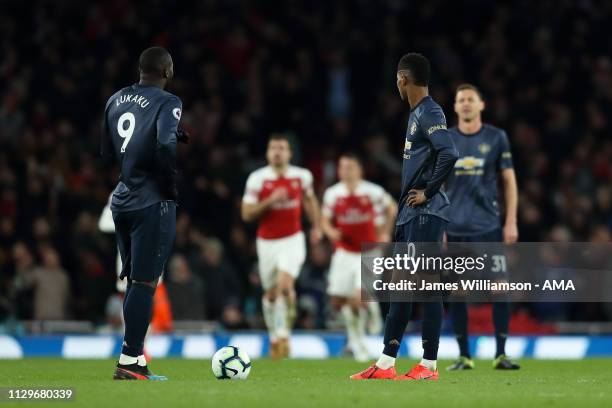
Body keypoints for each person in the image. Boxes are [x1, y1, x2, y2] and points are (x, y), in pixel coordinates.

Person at [351, 53, 458, 380]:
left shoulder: (429, 111)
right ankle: (386, 363)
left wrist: (428, 191)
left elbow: (449, 151)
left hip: (425, 212)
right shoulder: (417, 114)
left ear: (402, 79)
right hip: (413, 215)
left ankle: (428, 365)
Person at [101, 46, 187, 380]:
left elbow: (110, 150)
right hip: (151, 200)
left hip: (121, 199)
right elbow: (164, 145)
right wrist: (168, 185)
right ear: (167, 71)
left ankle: (133, 359)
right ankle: (130, 359)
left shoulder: (115, 99)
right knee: (145, 283)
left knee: (135, 283)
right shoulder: (170, 102)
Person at [445, 83, 520, 370]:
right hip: (456, 228)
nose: (465, 104)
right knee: (458, 291)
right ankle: (464, 356)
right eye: (460, 100)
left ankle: (501, 354)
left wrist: (510, 220)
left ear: (481, 105)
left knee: (499, 288)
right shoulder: (446, 140)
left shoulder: (496, 137)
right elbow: (437, 185)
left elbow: (509, 181)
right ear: (455, 107)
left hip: (488, 227)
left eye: (470, 99)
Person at [241, 134, 322, 359]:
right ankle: (274, 338)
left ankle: (285, 334)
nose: (277, 152)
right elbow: (246, 213)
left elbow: (310, 201)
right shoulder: (257, 179)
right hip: (266, 242)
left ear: (289, 153)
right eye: (273, 148)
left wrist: (316, 227)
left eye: (282, 148)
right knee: (270, 295)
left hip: (293, 239)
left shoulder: (302, 176)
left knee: (284, 285)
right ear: (268, 153)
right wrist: (270, 201)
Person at [321, 153, 396, 361]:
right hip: (344, 252)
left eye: (351, 167)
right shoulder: (332, 194)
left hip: (369, 251)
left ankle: (361, 339)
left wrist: (385, 233)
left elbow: (392, 207)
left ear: (359, 170)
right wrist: (329, 232)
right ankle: (358, 336)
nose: (346, 171)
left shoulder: (372, 191)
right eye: (343, 167)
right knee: (339, 301)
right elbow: (325, 219)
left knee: (356, 299)